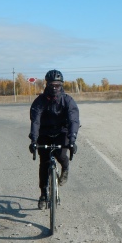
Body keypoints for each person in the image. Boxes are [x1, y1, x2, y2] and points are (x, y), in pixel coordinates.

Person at [28, 70, 80, 209]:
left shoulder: (67, 100)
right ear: (47, 85)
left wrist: (72, 140)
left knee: (61, 155)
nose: (55, 88)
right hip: (44, 133)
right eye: (52, 85)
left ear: (61, 85)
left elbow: (73, 120)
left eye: (57, 85)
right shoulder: (39, 101)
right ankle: (43, 194)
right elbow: (35, 121)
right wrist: (34, 140)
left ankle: (65, 168)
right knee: (44, 163)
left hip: (61, 132)